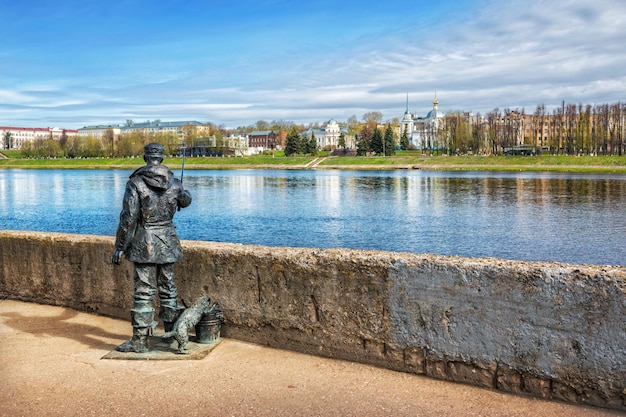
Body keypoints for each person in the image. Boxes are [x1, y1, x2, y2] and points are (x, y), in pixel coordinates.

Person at [111, 142, 192, 353]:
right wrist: (182, 192)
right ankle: (172, 336)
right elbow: (186, 201)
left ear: (146, 157)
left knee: (143, 292)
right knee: (168, 290)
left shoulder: (136, 183)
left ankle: (140, 341)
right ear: (162, 158)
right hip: (168, 241)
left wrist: (120, 246)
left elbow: (128, 218)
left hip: (144, 242)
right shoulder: (175, 182)